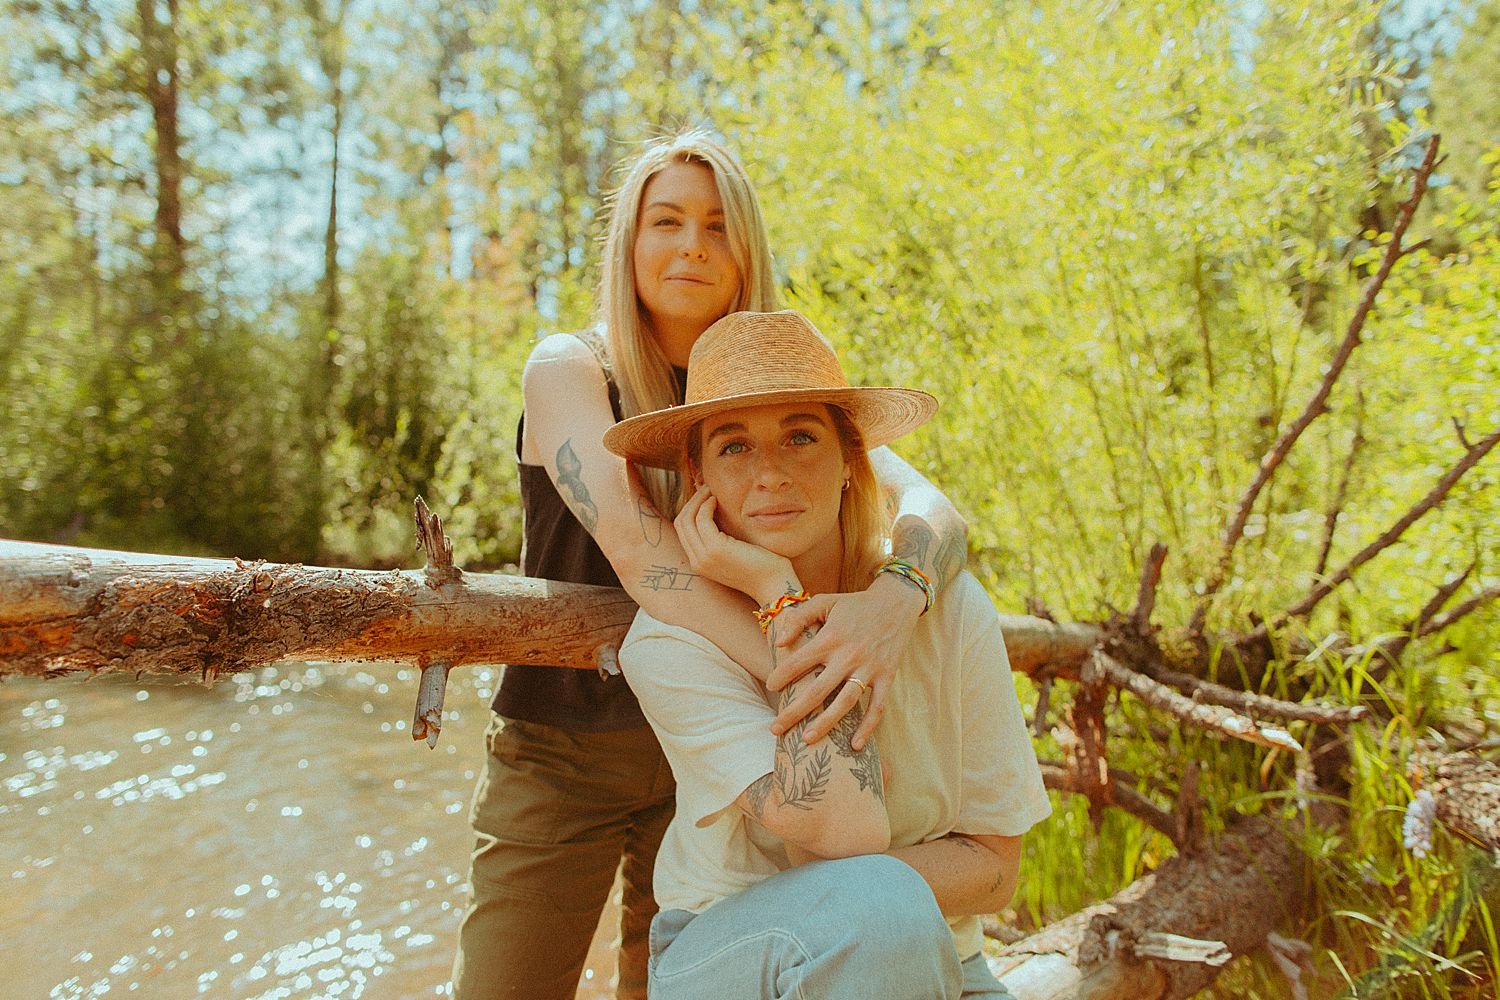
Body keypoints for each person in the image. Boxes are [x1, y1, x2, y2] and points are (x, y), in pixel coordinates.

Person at [450, 131, 971, 1000]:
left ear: (745, 254)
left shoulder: (765, 390)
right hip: (562, 750)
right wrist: (801, 669)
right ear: (630, 243)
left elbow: (935, 509)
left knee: (664, 984)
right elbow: (640, 550)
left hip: (711, 756)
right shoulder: (569, 368)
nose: (692, 243)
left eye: (717, 225)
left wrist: (892, 605)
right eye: (667, 221)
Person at [603, 309, 1052, 999]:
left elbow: (995, 870)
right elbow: (843, 831)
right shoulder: (672, 643)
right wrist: (776, 591)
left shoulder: (948, 610)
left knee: (881, 913)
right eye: (734, 448)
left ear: (852, 462)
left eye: (801, 437)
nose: (770, 474)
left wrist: (895, 913)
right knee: (875, 908)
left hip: (937, 959)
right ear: (698, 479)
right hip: (730, 959)